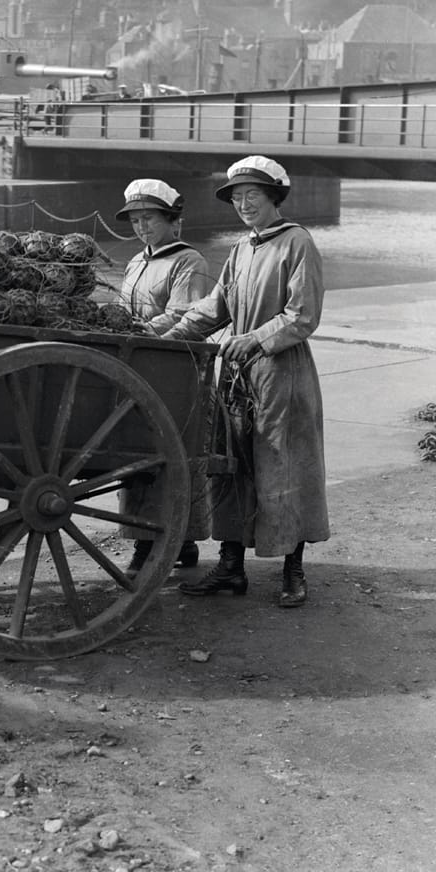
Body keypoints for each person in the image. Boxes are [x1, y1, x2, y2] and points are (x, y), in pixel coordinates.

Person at [164, 156, 329, 608]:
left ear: (274, 197)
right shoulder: (240, 249)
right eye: (236, 198)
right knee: (232, 466)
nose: (243, 205)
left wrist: (255, 339)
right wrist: (166, 336)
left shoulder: (297, 243)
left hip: (282, 374)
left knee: (283, 466)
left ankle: (292, 569)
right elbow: (213, 309)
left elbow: (302, 316)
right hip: (236, 376)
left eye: (251, 196)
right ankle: (231, 567)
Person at [113, 179, 214, 577]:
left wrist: (137, 331)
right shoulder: (137, 261)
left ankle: (152, 543)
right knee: (133, 450)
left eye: (149, 219)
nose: (141, 227)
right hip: (135, 365)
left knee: (165, 453)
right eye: (135, 220)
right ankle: (178, 542)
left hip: (172, 370)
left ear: (173, 220)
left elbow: (182, 315)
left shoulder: (188, 261)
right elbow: (123, 307)